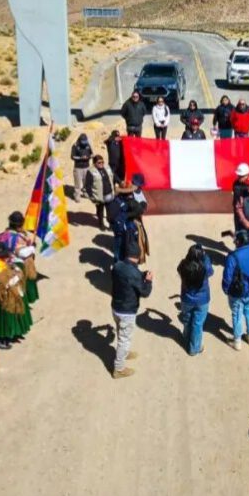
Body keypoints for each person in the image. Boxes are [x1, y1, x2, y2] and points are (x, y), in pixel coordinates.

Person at [110, 243, 153, 379]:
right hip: (127, 312)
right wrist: (148, 281)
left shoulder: (117, 266)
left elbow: (131, 275)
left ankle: (124, 353)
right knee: (124, 339)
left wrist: (142, 275)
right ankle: (119, 369)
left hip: (115, 307)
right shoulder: (133, 273)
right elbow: (145, 292)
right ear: (138, 256)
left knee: (121, 333)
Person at [0, 211, 40, 304]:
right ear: (19, 226)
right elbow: (22, 253)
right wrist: (32, 248)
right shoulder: (18, 238)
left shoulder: (4, 235)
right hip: (17, 263)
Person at [222, 230, 249, 350]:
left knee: (237, 314)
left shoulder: (232, 257)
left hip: (238, 292)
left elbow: (227, 277)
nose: (234, 242)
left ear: (239, 242)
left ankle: (237, 341)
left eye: (236, 241)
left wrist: (226, 289)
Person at [177, 244, 213, 356]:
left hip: (186, 298)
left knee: (187, 319)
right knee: (197, 324)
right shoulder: (205, 266)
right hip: (202, 300)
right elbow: (211, 272)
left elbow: (179, 270)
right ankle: (194, 348)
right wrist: (206, 256)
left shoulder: (183, 265)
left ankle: (186, 338)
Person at [84, 154, 116, 230]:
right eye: (99, 162)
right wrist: (91, 196)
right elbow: (88, 185)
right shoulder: (91, 171)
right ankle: (101, 224)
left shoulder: (107, 168)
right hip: (99, 196)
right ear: (94, 163)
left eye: (102, 162)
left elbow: (113, 177)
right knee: (100, 211)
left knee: (110, 212)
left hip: (109, 193)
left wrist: (119, 182)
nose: (101, 164)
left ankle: (111, 225)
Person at [69, 133, 92, 201]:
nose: (84, 142)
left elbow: (91, 153)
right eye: (83, 141)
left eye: (85, 140)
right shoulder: (75, 146)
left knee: (86, 182)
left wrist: (89, 157)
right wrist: (80, 158)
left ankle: (85, 193)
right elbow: (72, 156)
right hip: (78, 167)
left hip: (86, 167)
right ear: (80, 140)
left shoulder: (88, 145)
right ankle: (77, 196)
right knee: (77, 183)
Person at [232, 162, 249, 231]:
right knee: (239, 230)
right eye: (239, 176)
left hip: (248, 211)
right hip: (239, 211)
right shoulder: (236, 184)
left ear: (247, 175)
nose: (239, 177)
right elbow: (238, 190)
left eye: (242, 176)